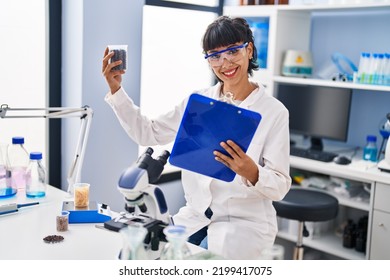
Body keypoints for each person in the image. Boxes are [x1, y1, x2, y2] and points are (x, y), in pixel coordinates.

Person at [102, 15, 291, 260]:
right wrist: (116, 89)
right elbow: (147, 133)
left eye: (233, 51)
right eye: (214, 55)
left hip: (244, 226)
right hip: (193, 218)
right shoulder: (199, 102)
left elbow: (280, 186)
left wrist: (251, 171)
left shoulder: (273, 111)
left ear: (249, 49)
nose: (225, 63)